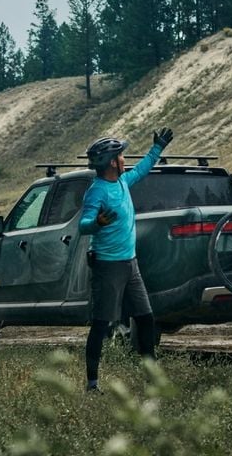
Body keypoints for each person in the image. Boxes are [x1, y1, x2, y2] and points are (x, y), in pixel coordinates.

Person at [76, 127, 173, 392]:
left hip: (130, 264)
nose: (123, 159)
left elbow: (141, 170)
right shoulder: (97, 191)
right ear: (110, 162)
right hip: (108, 266)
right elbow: (83, 226)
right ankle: (92, 384)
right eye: (120, 156)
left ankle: (151, 376)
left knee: (146, 318)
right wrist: (96, 222)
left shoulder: (121, 182)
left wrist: (158, 148)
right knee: (101, 324)